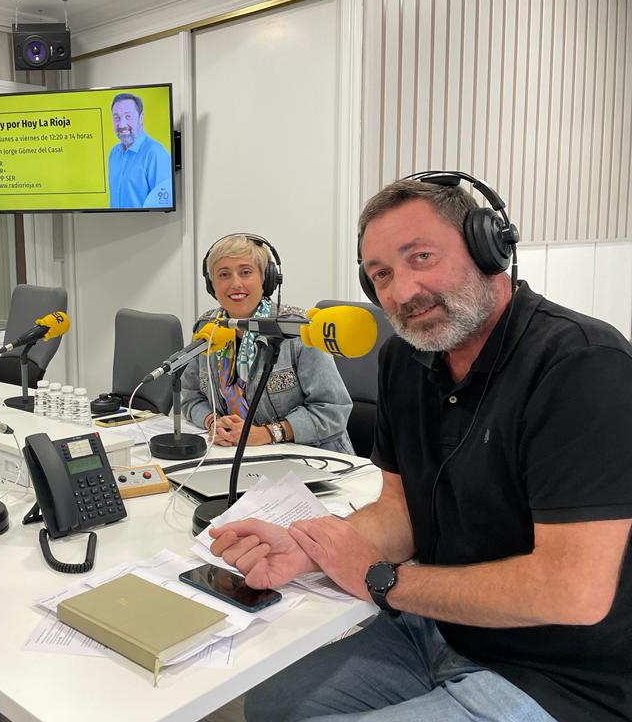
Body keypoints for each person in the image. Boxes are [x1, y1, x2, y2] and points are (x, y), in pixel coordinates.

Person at [211, 178, 632, 722]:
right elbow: (399, 510)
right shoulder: (405, 359)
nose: (403, 292)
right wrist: (308, 549)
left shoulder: (581, 365)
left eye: (422, 257)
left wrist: (383, 579)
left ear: (488, 248)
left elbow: (574, 592)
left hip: (558, 679)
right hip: (435, 628)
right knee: (270, 704)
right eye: (381, 274)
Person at [181, 234, 353, 454]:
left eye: (245, 272)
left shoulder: (300, 330)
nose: (235, 283)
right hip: (237, 454)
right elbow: (191, 396)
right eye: (223, 274)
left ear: (266, 279)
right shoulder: (208, 328)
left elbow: (333, 410)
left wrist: (267, 434)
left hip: (312, 457)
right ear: (211, 284)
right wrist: (212, 422)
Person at [106, 92, 173, 209]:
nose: (122, 124)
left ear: (141, 117)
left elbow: (163, 205)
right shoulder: (113, 153)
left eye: (128, 116)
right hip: (114, 224)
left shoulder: (156, 153)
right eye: (116, 117)